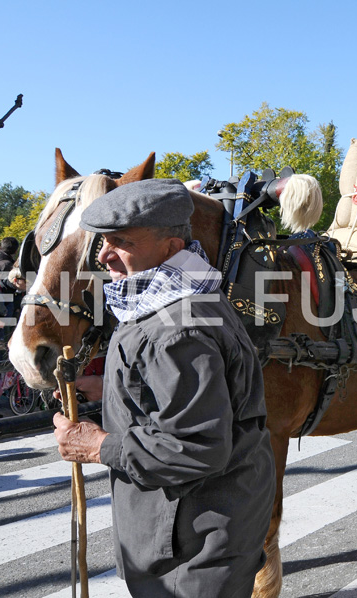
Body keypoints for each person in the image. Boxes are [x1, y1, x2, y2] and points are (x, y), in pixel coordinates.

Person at [53, 178, 275, 597]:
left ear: (172, 247)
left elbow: (198, 446)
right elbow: (197, 385)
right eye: (102, 242)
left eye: (121, 242)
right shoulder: (185, 294)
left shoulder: (175, 326)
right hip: (200, 524)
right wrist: (112, 388)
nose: (104, 255)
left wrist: (99, 446)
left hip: (193, 541)